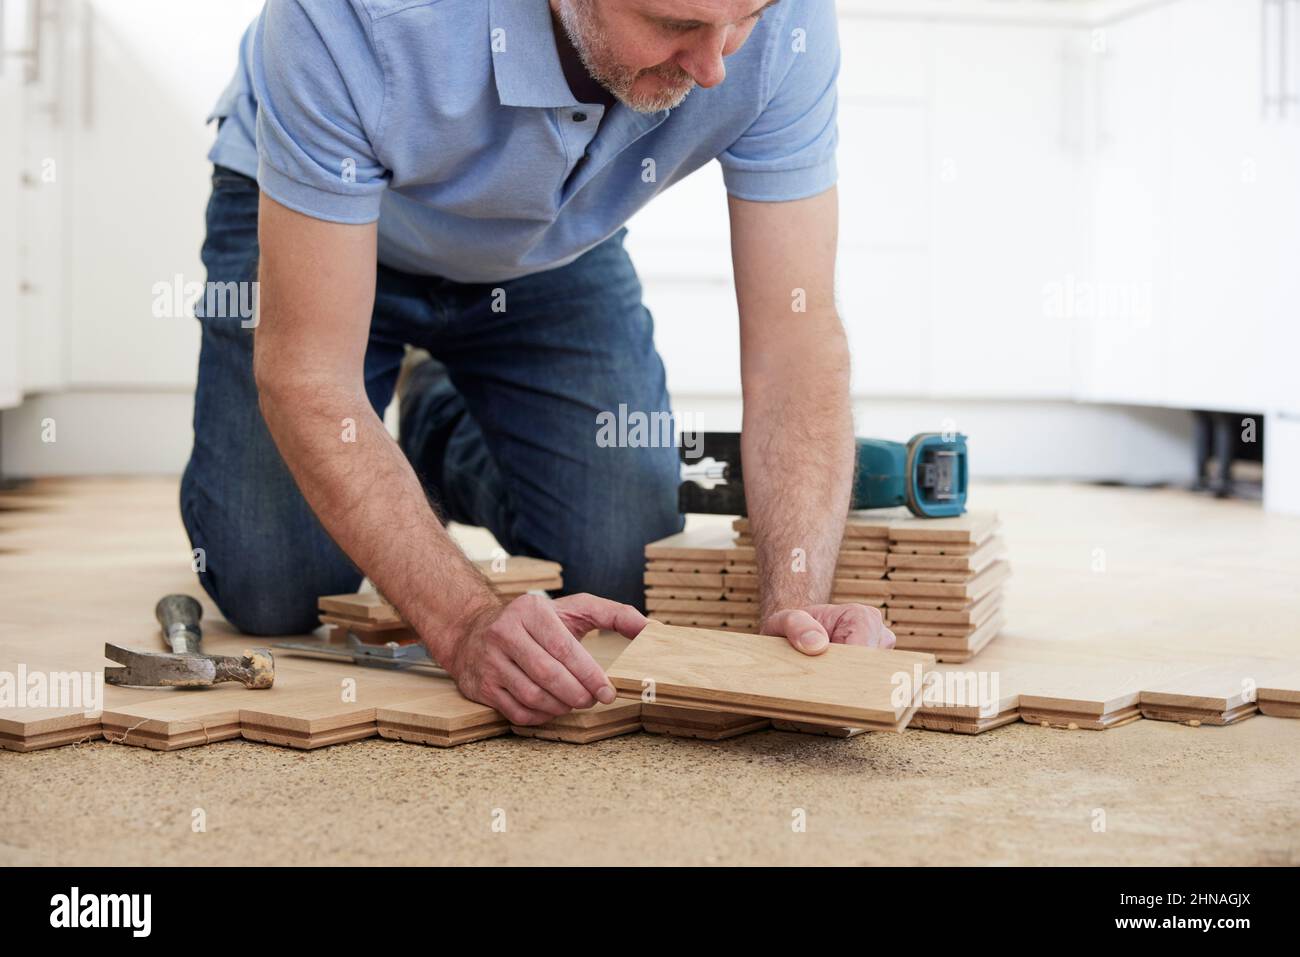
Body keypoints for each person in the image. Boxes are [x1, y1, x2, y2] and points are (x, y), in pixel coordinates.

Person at [182, 0, 895, 727]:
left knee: (619, 562)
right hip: (324, 220)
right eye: (677, 27)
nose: (716, 69)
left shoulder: (789, 20)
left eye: (743, 19)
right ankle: (388, 426)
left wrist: (797, 609)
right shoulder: (346, 18)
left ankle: (431, 420)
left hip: (546, 241)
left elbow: (796, 345)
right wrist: (463, 623)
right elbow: (307, 375)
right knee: (273, 587)